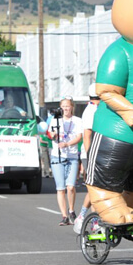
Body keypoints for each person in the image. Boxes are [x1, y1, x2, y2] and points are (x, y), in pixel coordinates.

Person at [48, 96, 83, 226]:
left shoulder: (77, 121)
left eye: (67, 106)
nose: (65, 109)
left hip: (72, 156)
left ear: (72, 107)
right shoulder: (55, 120)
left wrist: (67, 144)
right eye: (63, 107)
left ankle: (72, 210)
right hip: (57, 156)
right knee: (61, 188)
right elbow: (51, 134)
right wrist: (53, 135)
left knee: (71, 187)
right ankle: (64, 216)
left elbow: (79, 137)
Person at [73, 84, 100, 233]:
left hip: (99, 154)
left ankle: (86, 217)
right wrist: (91, 158)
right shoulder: (91, 111)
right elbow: (87, 136)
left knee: (96, 189)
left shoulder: (98, 109)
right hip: (90, 155)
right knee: (94, 189)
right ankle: (90, 219)